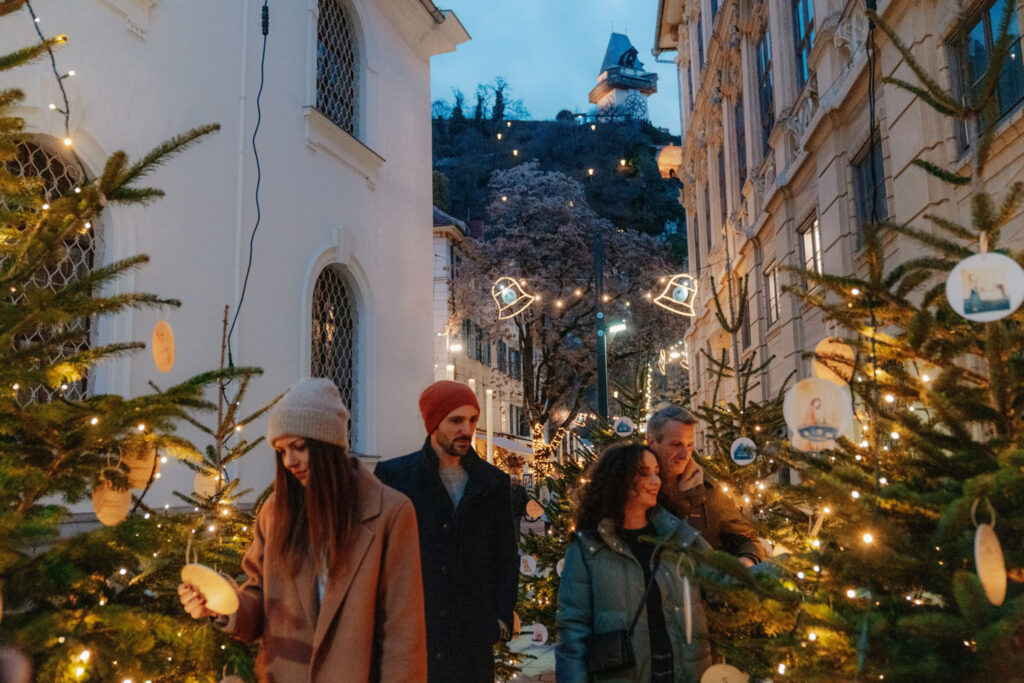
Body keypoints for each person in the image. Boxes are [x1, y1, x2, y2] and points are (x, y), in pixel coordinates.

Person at [178, 378, 427, 682]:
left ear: (329, 446)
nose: (289, 461)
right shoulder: (274, 512)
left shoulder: (391, 512)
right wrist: (220, 605)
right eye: (281, 451)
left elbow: (402, 637)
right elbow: (259, 600)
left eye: (299, 447)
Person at [374, 380, 518, 683]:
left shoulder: (493, 483)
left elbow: (505, 556)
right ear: (433, 422)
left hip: (471, 642)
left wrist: (501, 616)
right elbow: (379, 554)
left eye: (473, 420)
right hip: (414, 634)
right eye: (456, 420)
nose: (467, 429)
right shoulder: (395, 477)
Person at [556, 442, 712, 682]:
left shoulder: (677, 535)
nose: (656, 481)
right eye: (644, 473)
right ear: (619, 479)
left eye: (656, 472)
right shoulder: (588, 547)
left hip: (682, 674)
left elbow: (723, 576)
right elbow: (573, 631)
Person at [646, 405, 765, 566]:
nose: (685, 454)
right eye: (676, 444)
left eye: (689, 445)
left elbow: (745, 538)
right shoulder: (634, 489)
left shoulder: (706, 490)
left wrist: (746, 560)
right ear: (652, 442)